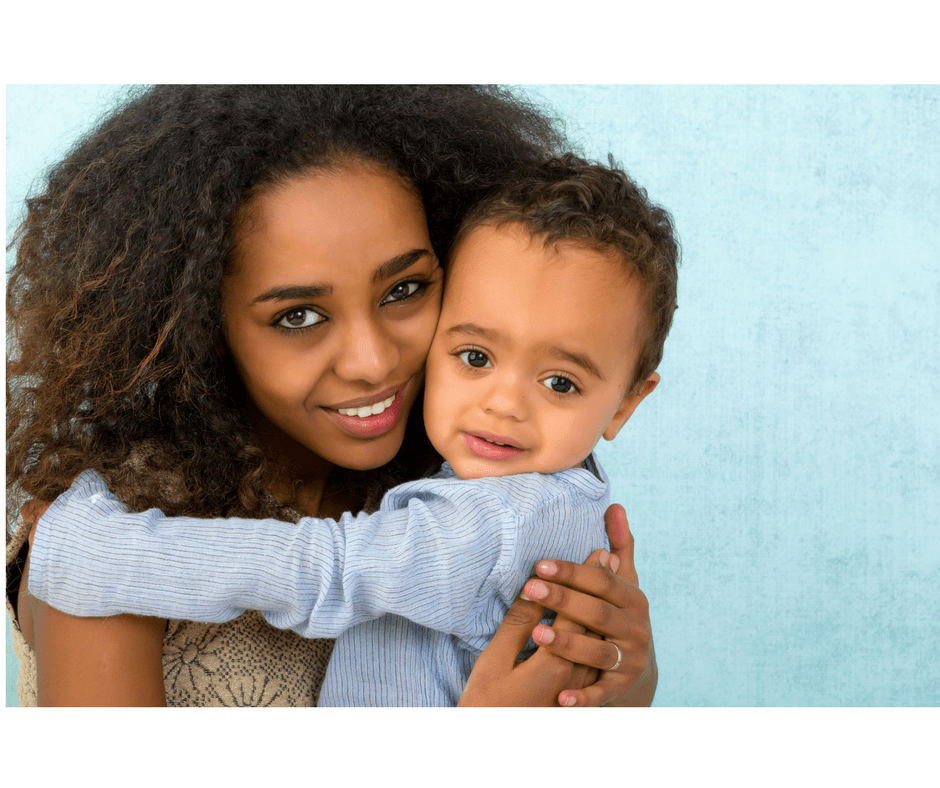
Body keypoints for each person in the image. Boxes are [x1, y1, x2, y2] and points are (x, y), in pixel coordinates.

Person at [6, 85, 656, 707]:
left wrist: (622, 680)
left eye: (404, 290)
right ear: (199, 324)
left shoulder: (464, 480)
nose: (373, 363)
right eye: (298, 316)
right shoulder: (118, 523)